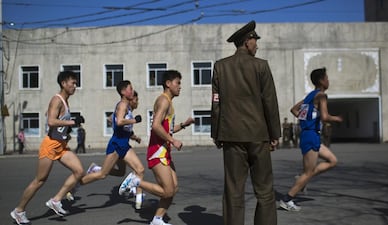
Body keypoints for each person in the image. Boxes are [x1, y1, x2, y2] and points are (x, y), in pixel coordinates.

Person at [211, 21, 281, 225]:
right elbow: (270, 102)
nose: (257, 45)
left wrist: (216, 133)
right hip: (259, 136)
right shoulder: (261, 66)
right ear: (247, 41)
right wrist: (274, 134)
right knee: (265, 190)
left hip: (231, 136)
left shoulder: (220, 67)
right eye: (255, 40)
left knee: (233, 190)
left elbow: (216, 103)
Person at [119, 70, 195, 225]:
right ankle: (135, 182)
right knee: (168, 190)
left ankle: (157, 219)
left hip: (164, 151)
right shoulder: (164, 100)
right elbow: (155, 126)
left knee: (173, 188)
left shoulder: (168, 101)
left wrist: (184, 125)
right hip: (157, 152)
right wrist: (173, 140)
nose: (180, 86)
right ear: (168, 84)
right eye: (177, 83)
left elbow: (166, 129)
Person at [10, 71, 85, 225]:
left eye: (76, 83)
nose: (75, 86)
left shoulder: (64, 101)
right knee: (40, 180)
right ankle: (18, 211)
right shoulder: (56, 100)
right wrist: (71, 122)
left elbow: (53, 119)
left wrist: (67, 131)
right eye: (73, 83)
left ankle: (56, 200)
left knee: (79, 171)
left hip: (61, 145)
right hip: (50, 145)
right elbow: (51, 121)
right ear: (64, 83)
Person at [279, 67, 343, 211]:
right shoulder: (321, 96)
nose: (328, 81)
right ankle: (287, 199)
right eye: (327, 78)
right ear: (321, 81)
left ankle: (302, 179)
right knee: (308, 172)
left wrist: (306, 119)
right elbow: (325, 116)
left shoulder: (310, 96)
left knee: (332, 161)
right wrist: (336, 118)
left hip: (311, 135)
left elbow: (294, 109)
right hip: (311, 135)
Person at [77, 81, 145, 209]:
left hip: (124, 144)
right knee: (103, 174)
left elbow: (113, 120)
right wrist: (134, 120)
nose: (132, 91)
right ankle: (76, 184)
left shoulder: (126, 107)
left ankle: (139, 200)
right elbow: (119, 122)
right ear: (123, 92)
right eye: (130, 89)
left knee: (135, 170)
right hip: (117, 144)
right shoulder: (123, 105)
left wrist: (133, 136)